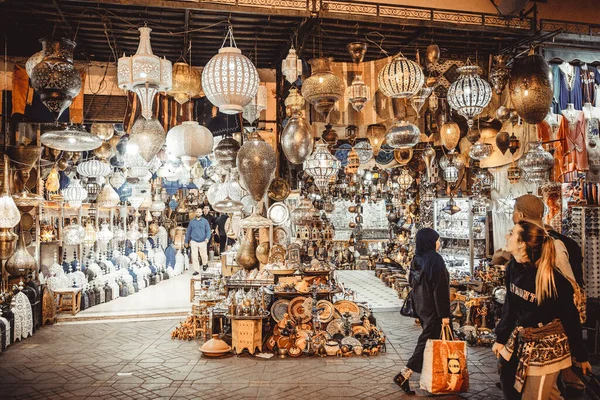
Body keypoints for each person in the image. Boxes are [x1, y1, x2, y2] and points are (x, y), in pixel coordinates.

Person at [493, 221, 591, 400]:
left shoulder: (554, 281)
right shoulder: (513, 268)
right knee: (507, 372)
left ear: (522, 243)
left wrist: (580, 355)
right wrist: (501, 338)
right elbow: (511, 306)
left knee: (534, 395)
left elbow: (571, 318)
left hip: (548, 344)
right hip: (523, 336)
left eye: (512, 233)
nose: (507, 236)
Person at [394, 228, 451, 394]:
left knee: (431, 342)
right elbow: (440, 290)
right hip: (434, 309)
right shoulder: (435, 259)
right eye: (437, 239)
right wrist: (445, 315)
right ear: (429, 241)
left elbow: (413, 283)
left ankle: (435, 380)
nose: (439, 243)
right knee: (428, 343)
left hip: (423, 307)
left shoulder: (417, 259)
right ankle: (406, 374)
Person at [185, 208, 212, 275]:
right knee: (194, 256)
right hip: (194, 241)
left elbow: (208, 230)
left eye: (199, 212)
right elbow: (188, 232)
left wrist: (207, 238)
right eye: (197, 212)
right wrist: (186, 241)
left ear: (201, 213)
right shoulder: (192, 222)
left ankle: (205, 264)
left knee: (204, 255)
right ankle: (196, 270)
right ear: (195, 213)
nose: (198, 213)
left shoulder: (205, 221)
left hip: (203, 241)